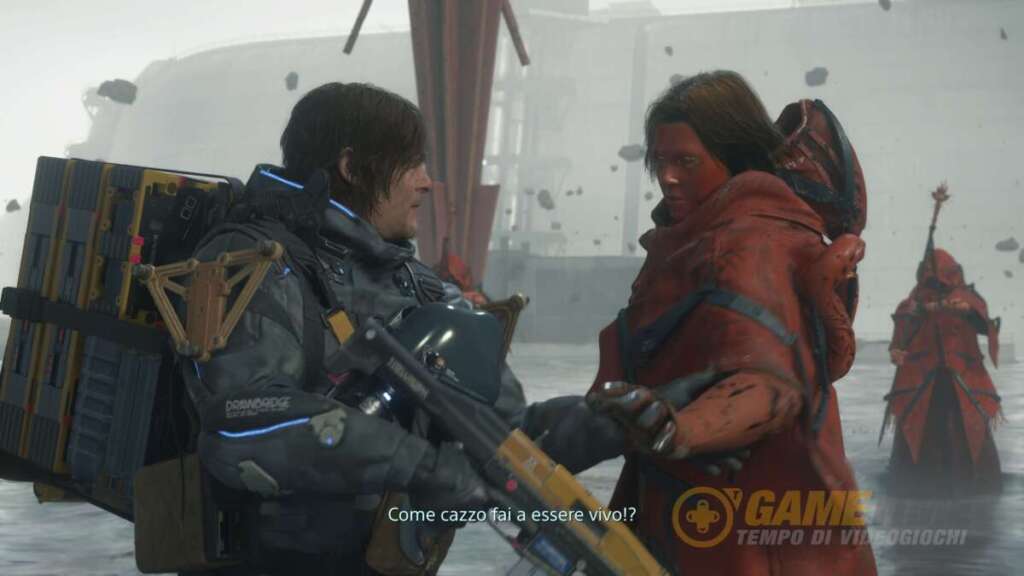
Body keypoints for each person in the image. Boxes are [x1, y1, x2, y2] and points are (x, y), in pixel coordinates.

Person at [186, 82, 623, 575]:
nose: (427, 182)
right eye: (412, 164)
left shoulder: (418, 284)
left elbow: (504, 437)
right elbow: (239, 422)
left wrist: (605, 425)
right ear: (352, 168)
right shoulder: (252, 263)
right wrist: (419, 465)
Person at [585, 71, 877, 575]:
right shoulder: (686, 244)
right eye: (660, 161)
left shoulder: (747, 244)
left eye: (686, 161)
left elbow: (769, 384)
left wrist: (681, 428)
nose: (667, 177)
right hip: (687, 509)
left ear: (733, 155)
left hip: (752, 530)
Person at [884, 248, 1002, 495]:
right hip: (924, 380)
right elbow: (903, 328)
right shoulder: (914, 301)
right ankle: (915, 485)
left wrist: (964, 310)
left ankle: (971, 483)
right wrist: (896, 350)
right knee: (920, 435)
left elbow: (983, 321)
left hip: (960, 379)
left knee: (965, 433)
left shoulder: (966, 298)